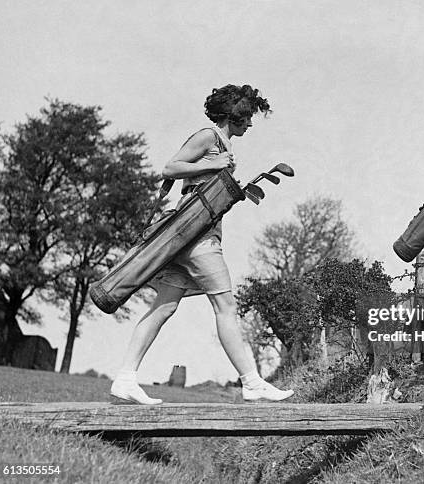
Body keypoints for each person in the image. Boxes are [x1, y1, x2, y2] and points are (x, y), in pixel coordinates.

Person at [110, 84, 294, 404]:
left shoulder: (221, 143)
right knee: (226, 306)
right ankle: (252, 382)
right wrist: (214, 165)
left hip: (187, 238)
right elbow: (170, 168)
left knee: (164, 306)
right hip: (198, 238)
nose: (250, 124)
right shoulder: (208, 136)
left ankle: (125, 379)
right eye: (247, 117)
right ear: (233, 116)